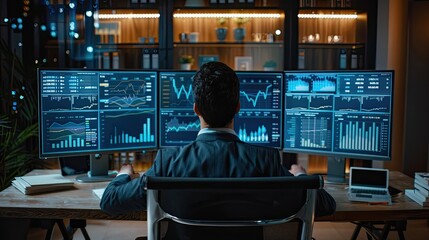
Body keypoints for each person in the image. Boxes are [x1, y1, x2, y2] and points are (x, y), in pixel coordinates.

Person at [100, 61, 336, 239]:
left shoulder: (169, 162)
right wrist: (301, 176)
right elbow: (326, 205)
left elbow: (110, 201)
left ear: (195, 109)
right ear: (238, 108)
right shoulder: (266, 160)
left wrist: (124, 174)